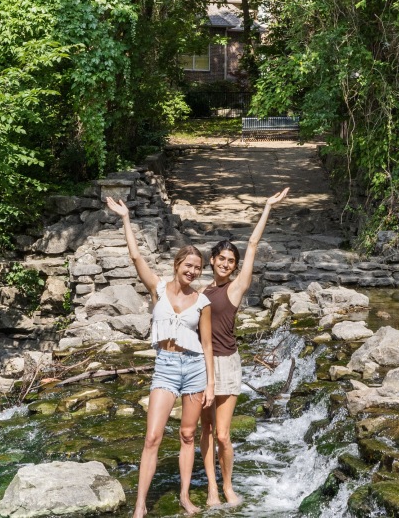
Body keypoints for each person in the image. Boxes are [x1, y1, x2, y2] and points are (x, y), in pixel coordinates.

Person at [105, 195, 215, 518]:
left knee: (187, 434)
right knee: (152, 437)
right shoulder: (158, 287)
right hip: (166, 368)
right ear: (177, 265)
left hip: (194, 369)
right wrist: (126, 218)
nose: (192, 272)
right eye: (188, 266)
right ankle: (140, 505)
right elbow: (136, 256)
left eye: (197, 268)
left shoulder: (202, 303)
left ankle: (183, 495)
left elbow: (206, 345)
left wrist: (210, 384)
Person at [200, 187, 289, 508]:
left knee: (222, 434)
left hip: (228, 363)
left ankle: (226, 485)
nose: (225, 264)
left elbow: (252, 244)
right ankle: (210, 486)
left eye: (230, 261)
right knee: (206, 428)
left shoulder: (236, 288)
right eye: (221, 259)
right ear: (212, 261)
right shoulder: (202, 291)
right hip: (201, 365)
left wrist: (267, 206)